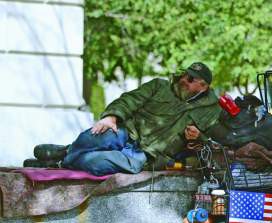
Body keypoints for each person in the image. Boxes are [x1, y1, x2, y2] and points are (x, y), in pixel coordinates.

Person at [58, 62, 221, 176]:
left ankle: (64, 158)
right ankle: (68, 153)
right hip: (126, 132)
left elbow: (209, 145)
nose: (184, 79)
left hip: (147, 155)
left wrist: (197, 137)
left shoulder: (211, 111)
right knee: (90, 137)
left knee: (95, 163)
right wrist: (111, 117)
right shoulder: (159, 85)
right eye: (185, 74)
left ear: (204, 86)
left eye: (191, 79)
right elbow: (130, 99)